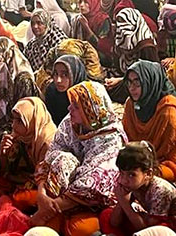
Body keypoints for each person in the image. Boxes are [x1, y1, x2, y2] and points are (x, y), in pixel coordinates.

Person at [35, 82, 125, 236]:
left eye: (76, 106)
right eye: (71, 104)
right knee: (62, 158)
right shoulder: (71, 123)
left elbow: (93, 184)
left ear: (91, 110)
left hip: (92, 202)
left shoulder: (112, 138)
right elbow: (52, 155)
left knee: (78, 229)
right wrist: (41, 193)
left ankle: (54, 216)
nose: (69, 109)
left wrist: (46, 210)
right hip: (58, 195)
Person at [122, 60, 176, 182]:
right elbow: (126, 142)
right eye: (129, 82)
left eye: (137, 82)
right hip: (135, 164)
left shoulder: (168, 109)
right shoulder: (130, 104)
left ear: (149, 81)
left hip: (163, 167)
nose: (132, 88)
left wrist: (146, 170)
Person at [98, 141, 176, 235]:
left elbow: (148, 231)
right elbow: (114, 222)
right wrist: (121, 201)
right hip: (147, 221)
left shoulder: (161, 190)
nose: (124, 180)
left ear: (148, 174)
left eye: (131, 175)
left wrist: (124, 202)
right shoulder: (133, 184)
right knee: (106, 214)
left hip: (167, 229)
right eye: (122, 173)